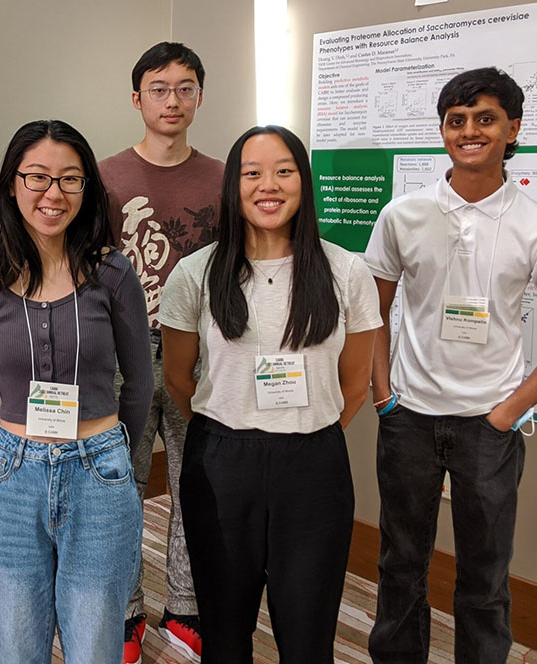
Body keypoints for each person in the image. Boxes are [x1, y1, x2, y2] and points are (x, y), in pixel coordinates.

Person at [364, 67, 537, 663]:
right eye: (456, 121)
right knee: (400, 565)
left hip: (488, 426)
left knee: (485, 579)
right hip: (408, 417)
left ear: (512, 129)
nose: (469, 132)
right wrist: (384, 395)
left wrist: (506, 412)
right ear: (442, 131)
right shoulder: (402, 216)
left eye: (485, 119)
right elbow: (372, 316)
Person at [159, 125, 381, 662]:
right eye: (252, 173)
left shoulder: (346, 271)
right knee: (225, 628)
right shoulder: (196, 273)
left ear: (303, 182)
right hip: (221, 463)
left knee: (307, 634)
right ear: (232, 187)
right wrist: (231, 422)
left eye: (284, 171)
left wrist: (299, 433)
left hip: (313, 466)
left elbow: (354, 383)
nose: (269, 185)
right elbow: (178, 377)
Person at [0, 119, 153, 663]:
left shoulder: (112, 274)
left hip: (100, 473)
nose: (53, 193)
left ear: (86, 190)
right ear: (13, 184)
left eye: (70, 180)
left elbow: (139, 383)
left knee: (94, 644)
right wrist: (13, 447)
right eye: (37, 177)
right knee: (17, 647)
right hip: (12, 480)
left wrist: (114, 455)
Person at [97, 41, 224, 663]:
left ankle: (186, 605)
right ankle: (124, 612)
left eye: (184, 88)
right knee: (118, 484)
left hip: (197, 351)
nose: (171, 100)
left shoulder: (226, 177)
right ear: (136, 97)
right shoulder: (104, 175)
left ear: (199, 96)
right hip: (122, 352)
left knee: (191, 482)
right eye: (158, 88)